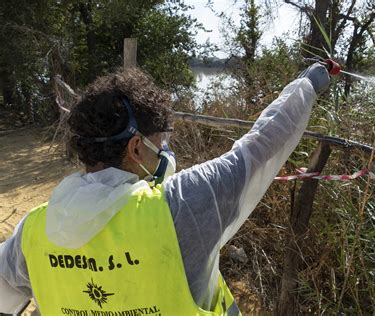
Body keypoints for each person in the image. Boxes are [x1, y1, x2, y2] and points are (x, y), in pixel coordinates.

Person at [0, 63, 330, 315]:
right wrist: (309, 83)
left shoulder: (33, 231)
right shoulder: (184, 203)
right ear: (136, 149)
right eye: (160, 142)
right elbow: (262, 144)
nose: (165, 151)